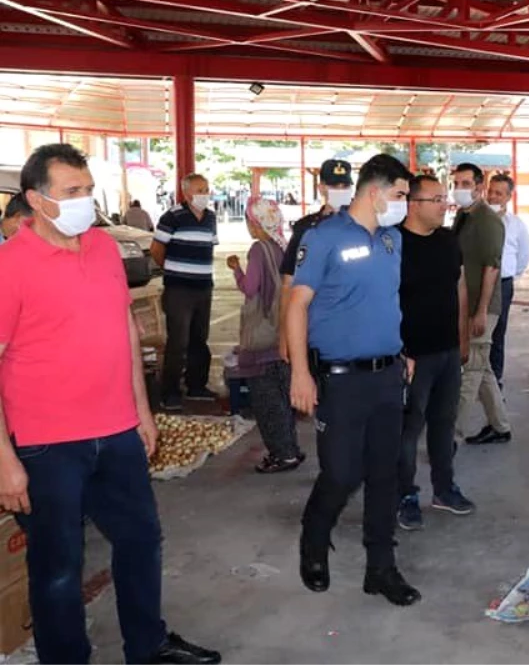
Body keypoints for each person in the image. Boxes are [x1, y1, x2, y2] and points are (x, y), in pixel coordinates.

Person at [0, 144, 220, 665]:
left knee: (142, 540)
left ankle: (147, 645)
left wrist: (142, 411)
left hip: (117, 431)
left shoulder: (101, 248)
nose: (85, 201)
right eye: (71, 192)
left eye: (88, 190)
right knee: (59, 566)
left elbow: (125, 328)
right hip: (45, 445)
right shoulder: (10, 266)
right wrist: (4, 460)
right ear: (36, 200)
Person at [287, 154, 420, 606]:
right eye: (400, 195)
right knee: (342, 473)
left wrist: (403, 351)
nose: (404, 204)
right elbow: (296, 305)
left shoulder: (390, 241)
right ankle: (313, 540)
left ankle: (380, 569)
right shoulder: (323, 237)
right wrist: (300, 374)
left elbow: (386, 301)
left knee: (386, 474)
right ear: (375, 191)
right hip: (340, 381)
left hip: (387, 375)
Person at [396, 176, 475, 532]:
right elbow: (382, 300)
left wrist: (462, 338)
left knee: (444, 425)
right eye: (437, 199)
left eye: (445, 198)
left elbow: (459, 288)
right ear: (414, 204)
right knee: (407, 431)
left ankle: (444, 489)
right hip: (411, 355)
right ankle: (404, 495)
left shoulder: (447, 241)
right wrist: (396, 352)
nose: (445, 205)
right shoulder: (393, 243)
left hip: (446, 351)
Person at [228, 197, 303, 474]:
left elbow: (250, 288)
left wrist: (236, 270)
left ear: (256, 222)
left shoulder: (259, 249)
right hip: (283, 336)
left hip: (262, 339)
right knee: (283, 400)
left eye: (249, 220)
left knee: (267, 402)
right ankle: (291, 449)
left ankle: (282, 454)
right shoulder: (283, 245)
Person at [450, 163, 511, 444]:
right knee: (483, 369)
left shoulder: (487, 220)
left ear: (478, 187)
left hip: (481, 306)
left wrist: (481, 312)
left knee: (471, 371)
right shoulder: (463, 217)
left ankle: (449, 435)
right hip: (466, 304)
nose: (459, 189)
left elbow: (491, 268)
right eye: (456, 183)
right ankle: (500, 426)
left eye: (465, 183)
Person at [151, 173, 218, 409]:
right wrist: (172, 270)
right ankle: (170, 391)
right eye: (200, 189)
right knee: (178, 341)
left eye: (207, 188)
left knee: (200, 338)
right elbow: (157, 249)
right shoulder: (172, 217)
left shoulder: (210, 217)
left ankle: (196, 385)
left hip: (203, 287)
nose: (205, 194)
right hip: (179, 288)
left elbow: (209, 246)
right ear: (187, 193)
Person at [278, 159, 355, 360]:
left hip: (355, 321)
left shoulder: (364, 225)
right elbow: (288, 283)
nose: (340, 190)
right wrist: (285, 334)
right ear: (321, 188)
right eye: (334, 185)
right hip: (315, 322)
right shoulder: (306, 227)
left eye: (345, 186)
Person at [488, 174, 529, 390]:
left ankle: (495, 378)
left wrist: (509, 274)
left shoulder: (516, 225)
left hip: (502, 285)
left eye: (499, 193)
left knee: (497, 331)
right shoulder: (477, 220)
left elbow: (524, 256)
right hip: (475, 283)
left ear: (508, 196)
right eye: (491, 191)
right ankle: (472, 375)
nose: (493, 197)